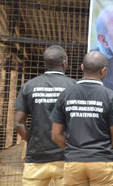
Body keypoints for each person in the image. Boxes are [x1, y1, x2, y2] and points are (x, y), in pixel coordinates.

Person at [50, 51, 113, 186]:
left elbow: (56, 135)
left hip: (73, 164)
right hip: (102, 163)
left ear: (82, 67)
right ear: (104, 71)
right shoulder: (111, 97)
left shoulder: (66, 94)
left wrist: (75, 151)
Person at [13, 45, 75, 186]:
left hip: (36, 158)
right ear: (64, 62)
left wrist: (33, 140)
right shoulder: (74, 87)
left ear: (45, 63)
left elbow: (18, 123)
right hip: (65, 157)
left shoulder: (29, 86)